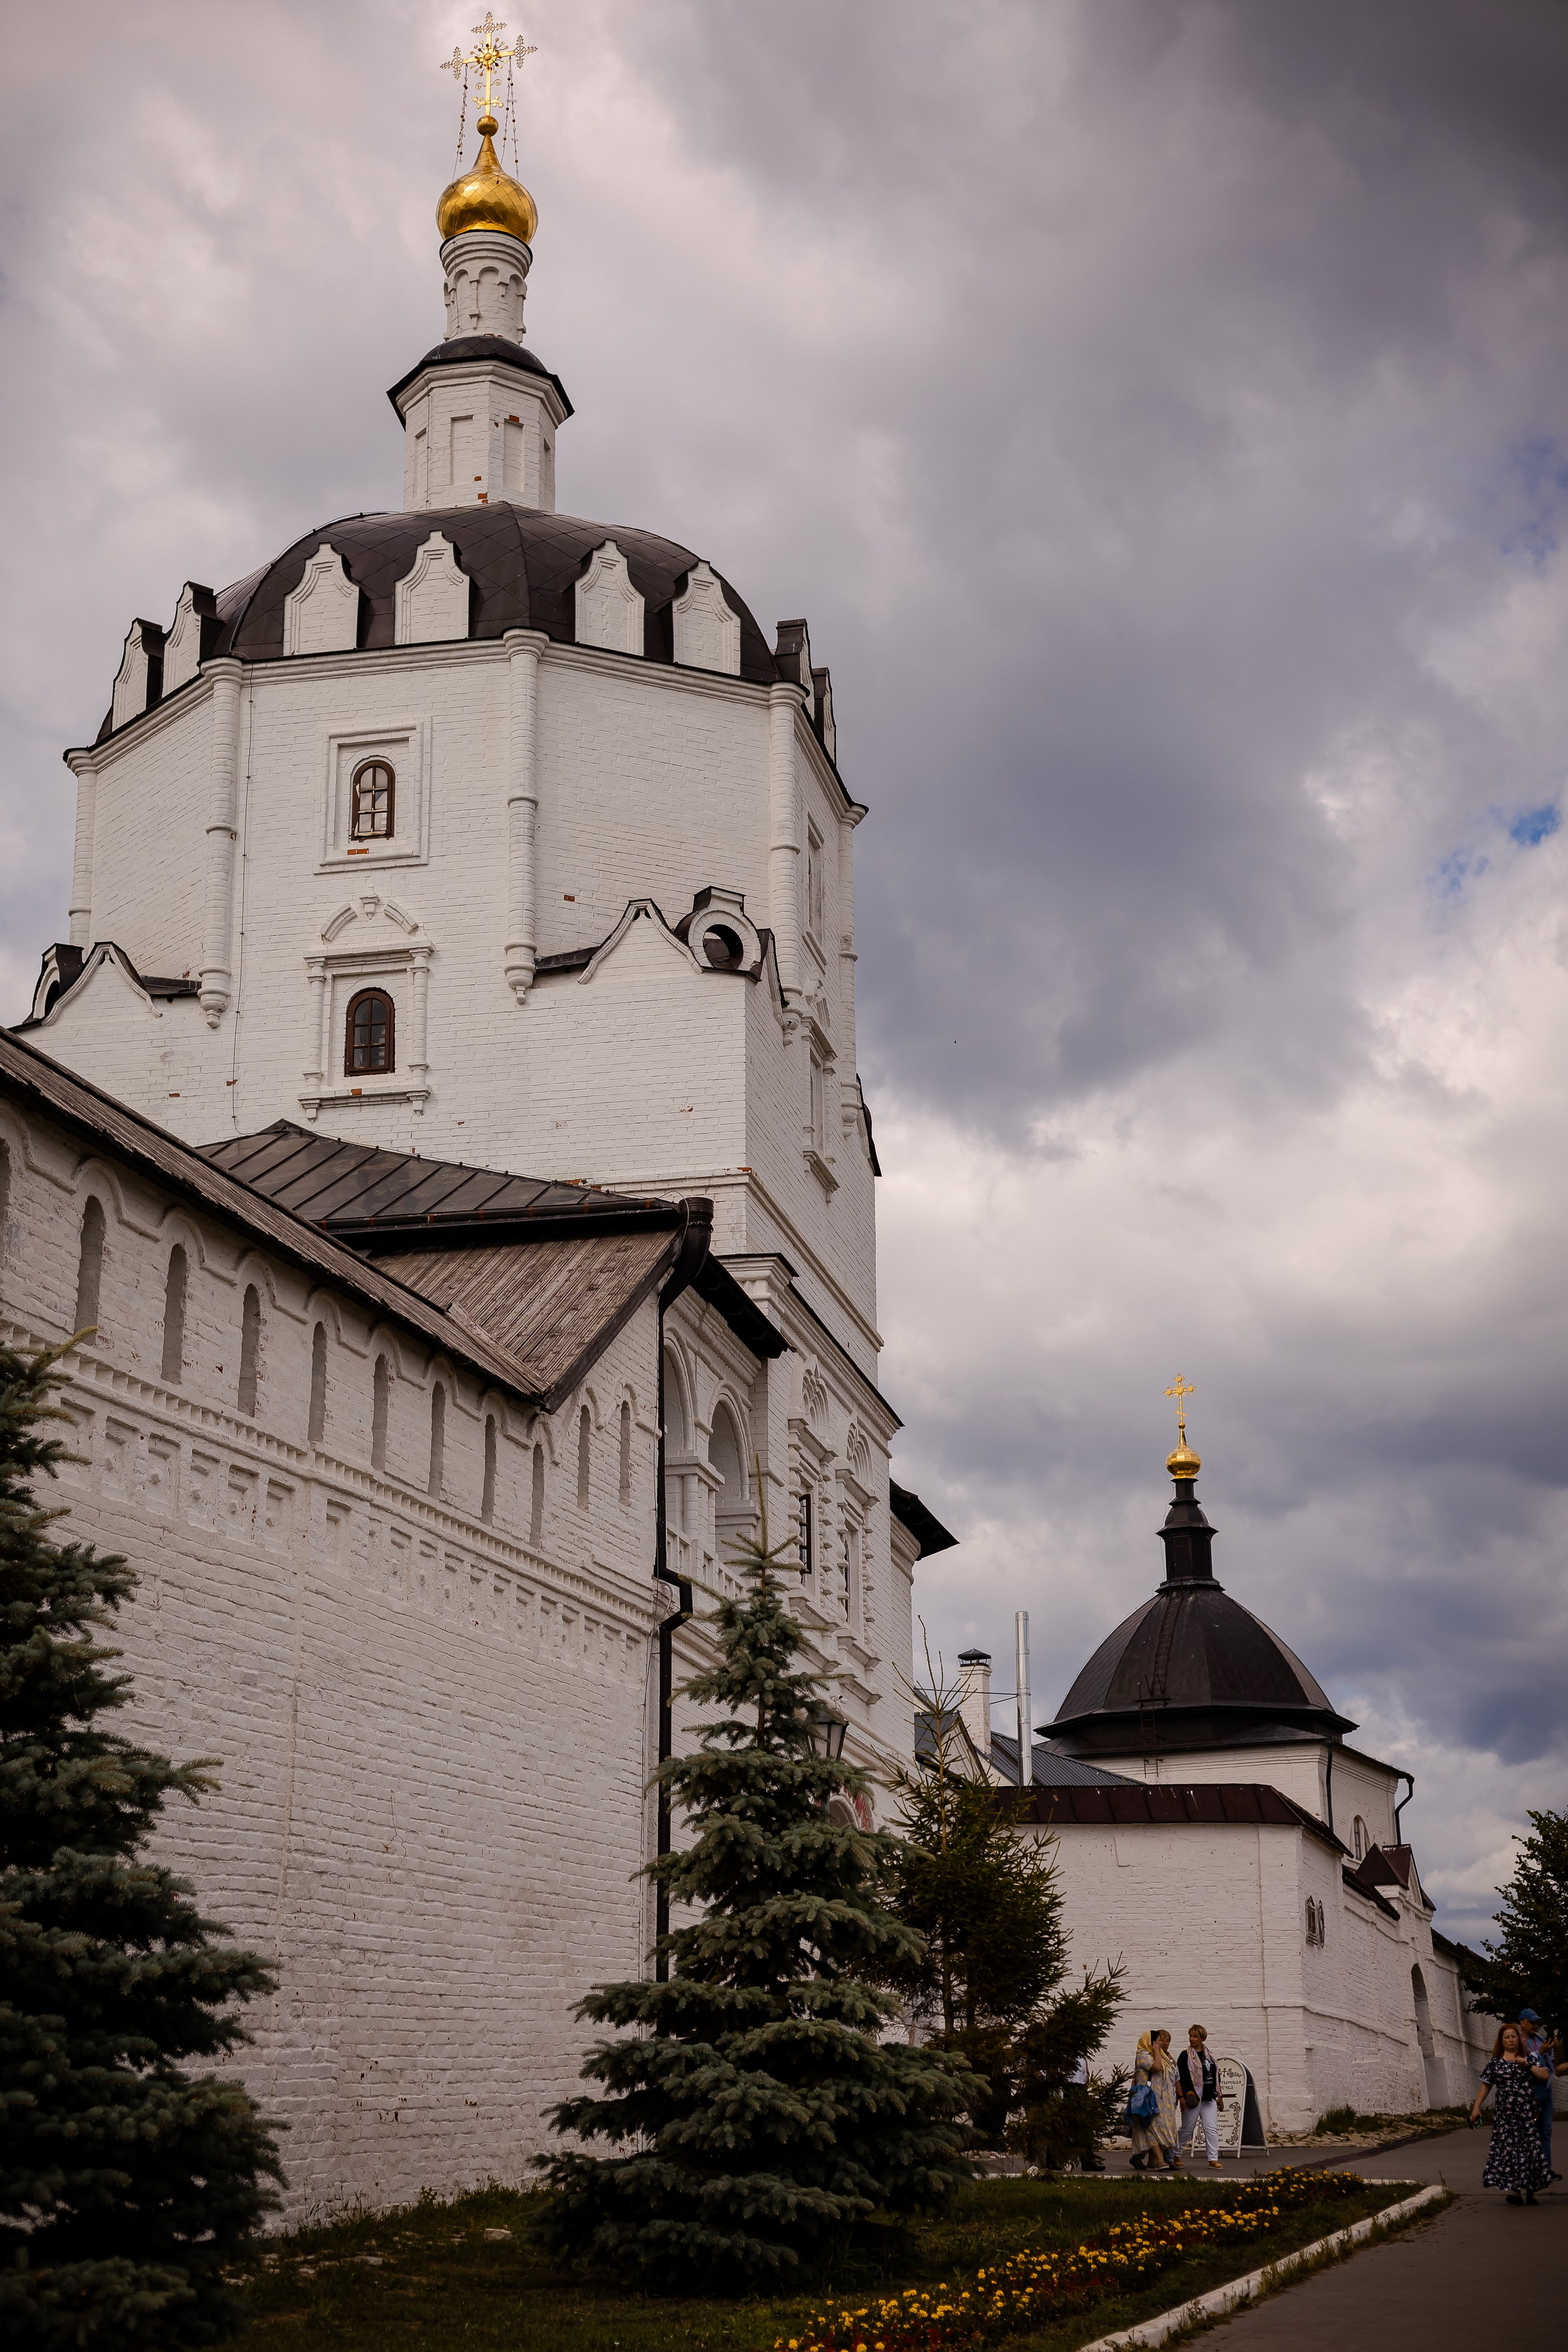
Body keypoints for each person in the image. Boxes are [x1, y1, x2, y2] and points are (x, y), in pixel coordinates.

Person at [1469, 2022, 1551, 2205]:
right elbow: (1486, 2085)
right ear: (1501, 2041)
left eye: (1514, 2036)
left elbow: (1545, 2076)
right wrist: (1476, 2108)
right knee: (1511, 2152)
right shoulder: (1496, 2063)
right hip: (1506, 2118)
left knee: (1530, 2150)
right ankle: (1516, 2193)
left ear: (1519, 2040)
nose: (1511, 2040)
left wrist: (1528, 2066)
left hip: (1528, 2115)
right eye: (1507, 2037)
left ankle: (1531, 2193)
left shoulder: (1528, 2058)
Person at [1517, 2009, 1563, 2182]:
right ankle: (1530, 2170)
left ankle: (1546, 2169)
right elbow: (1520, 2062)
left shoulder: (1539, 2040)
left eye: (1537, 2022)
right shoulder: (1518, 2042)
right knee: (1530, 2132)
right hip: (1529, 2090)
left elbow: (1550, 2062)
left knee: (1546, 2131)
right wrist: (1542, 2052)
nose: (1536, 2026)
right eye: (1533, 2022)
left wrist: (1554, 2048)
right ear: (1523, 2023)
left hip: (1546, 2088)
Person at [1128, 2028, 1182, 2172]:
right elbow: (1156, 2068)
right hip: (1148, 2098)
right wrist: (1157, 2052)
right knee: (1152, 2127)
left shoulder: (1162, 2056)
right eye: (1157, 2041)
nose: (1160, 2044)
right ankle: (1160, 2161)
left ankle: (1153, 2162)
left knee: (1160, 2128)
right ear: (1150, 2042)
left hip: (1162, 2099)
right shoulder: (1143, 2054)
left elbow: (1171, 2074)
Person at [1175, 2023, 1224, 2169]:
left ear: (1202, 2038)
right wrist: (1183, 2096)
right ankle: (1175, 2155)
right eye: (1190, 2036)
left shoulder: (1210, 2055)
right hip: (1193, 2097)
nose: (1192, 2039)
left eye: (1195, 2036)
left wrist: (1219, 2096)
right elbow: (1181, 2077)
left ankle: (1213, 2159)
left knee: (1211, 2128)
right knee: (1187, 2128)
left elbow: (1216, 2076)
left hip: (1209, 2096)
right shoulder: (1185, 2056)